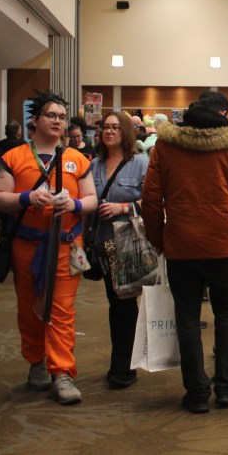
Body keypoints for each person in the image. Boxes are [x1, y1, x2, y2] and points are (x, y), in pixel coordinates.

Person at [141, 92, 228, 414]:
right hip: (224, 243)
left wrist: (159, 239)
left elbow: (150, 199)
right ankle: (226, 388)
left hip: (181, 244)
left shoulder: (165, 146)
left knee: (187, 319)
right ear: (222, 115)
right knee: (227, 315)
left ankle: (196, 392)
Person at [0, 91, 98, 405]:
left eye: (62, 117)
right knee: (30, 307)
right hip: (27, 244)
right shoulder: (13, 157)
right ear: (35, 120)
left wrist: (75, 204)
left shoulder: (77, 159)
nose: (58, 121)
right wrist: (26, 198)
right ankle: (37, 360)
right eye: (51, 115)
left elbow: (91, 200)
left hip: (67, 245)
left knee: (62, 309)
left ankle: (62, 372)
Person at [87, 110, 149, 389]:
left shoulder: (140, 163)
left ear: (126, 132)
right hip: (101, 243)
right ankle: (121, 363)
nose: (109, 131)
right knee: (115, 303)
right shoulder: (94, 165)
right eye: (105, 127)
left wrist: (124, 207)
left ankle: (123, 366)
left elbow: (154, 201)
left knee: (125, 304)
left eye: (115, 127)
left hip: (129, 243)